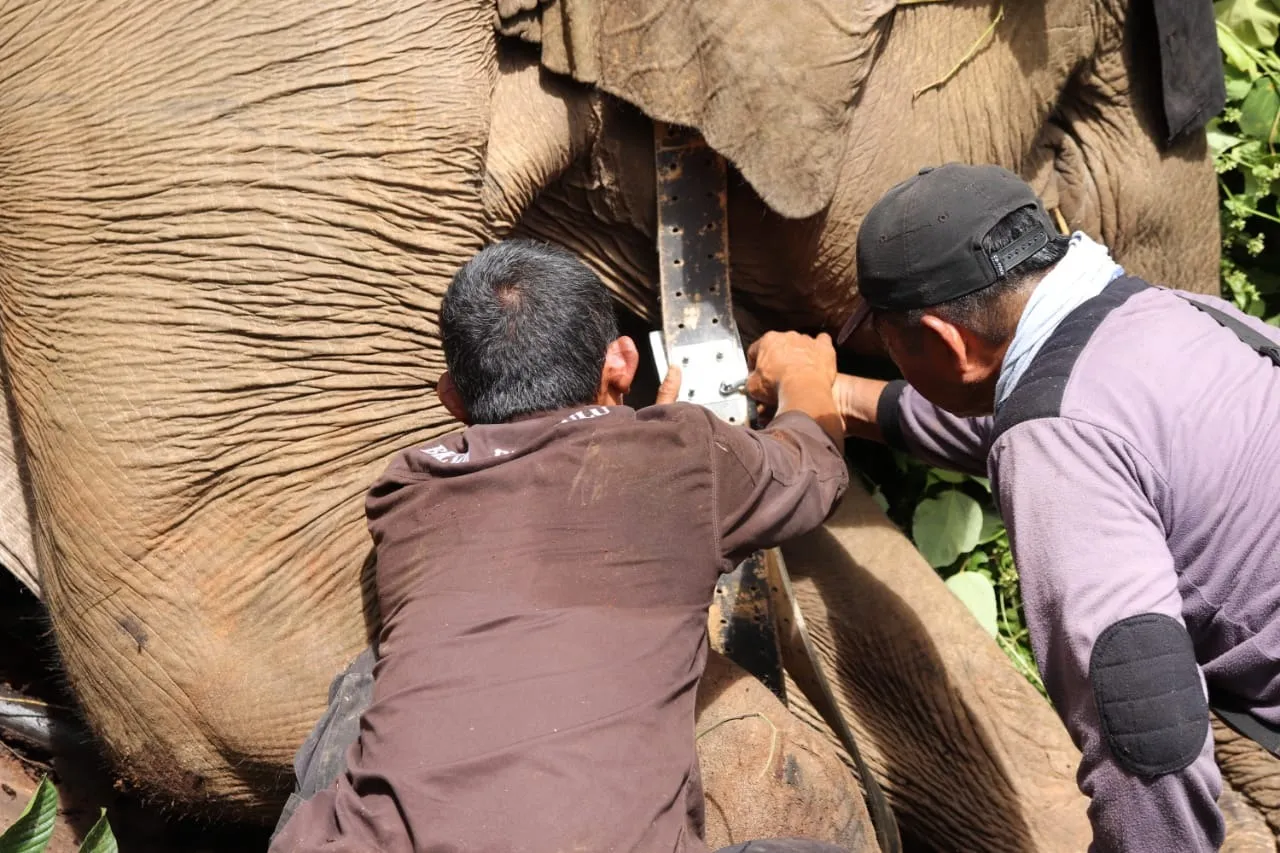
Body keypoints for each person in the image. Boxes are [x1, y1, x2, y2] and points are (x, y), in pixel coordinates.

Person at [747, 162, 1280, 852]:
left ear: (944, 341)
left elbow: (1147, 742)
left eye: (892, 347)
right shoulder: (1165, 314)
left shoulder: (1057, 447)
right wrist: (835, 396)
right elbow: (1031, 412)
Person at [270, 239, 854, 853]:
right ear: (623, 362)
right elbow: (817, 465)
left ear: (452, 399)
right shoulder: (687, 456)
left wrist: (648, 446)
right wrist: (803, 378)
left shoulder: (405, 491)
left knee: (367, 681)